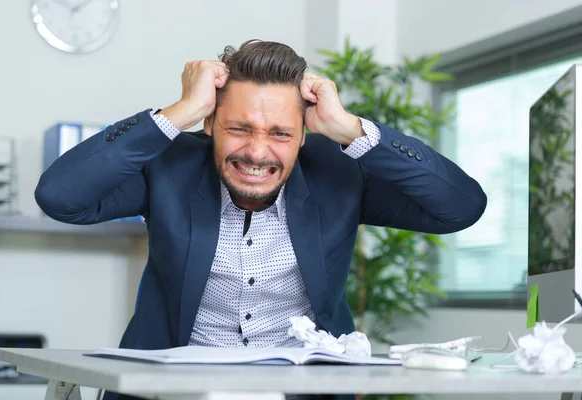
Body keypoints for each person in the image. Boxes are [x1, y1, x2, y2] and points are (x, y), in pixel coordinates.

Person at [35, 39, 487, 399]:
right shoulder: (169, 166)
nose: (257, 151)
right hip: (172, 394)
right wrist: (179, 113)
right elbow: (60, 197)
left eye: (280, 134)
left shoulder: (339, 172)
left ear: (304, 134)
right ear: (210, 122)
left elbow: (460, 206)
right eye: (239, 128)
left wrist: (349, 129)